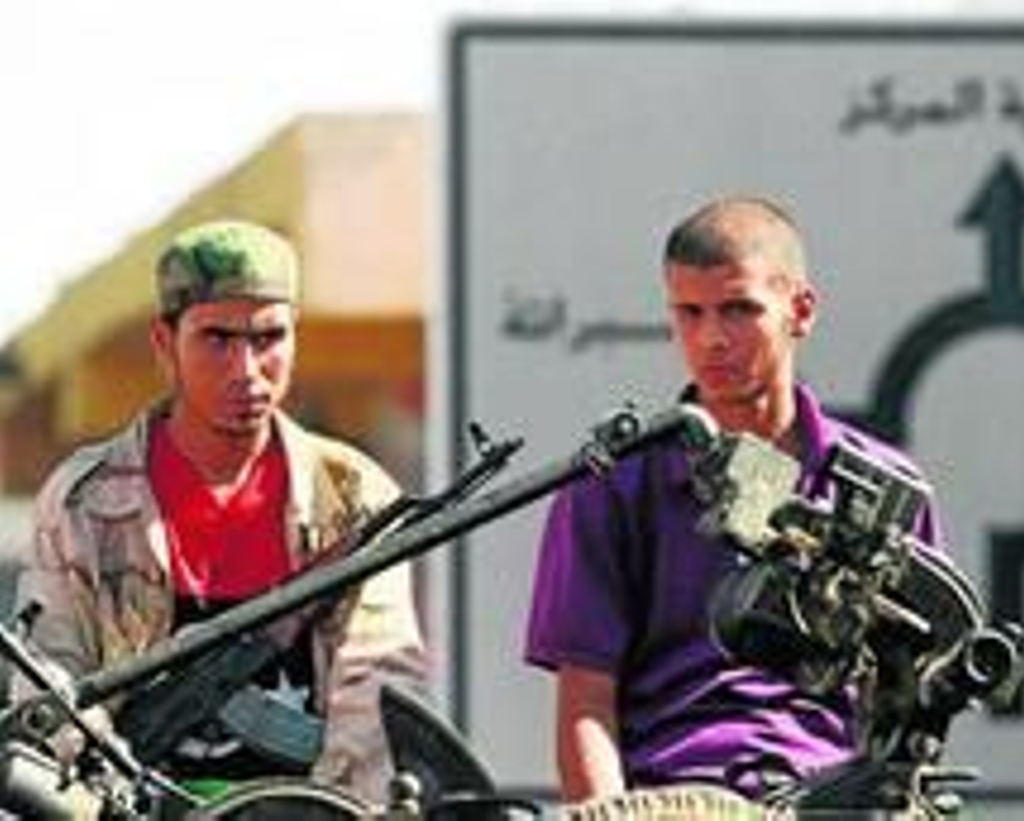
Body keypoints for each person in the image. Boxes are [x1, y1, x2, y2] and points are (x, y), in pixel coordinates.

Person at [523, 196, 945, 803]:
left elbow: (914, 709)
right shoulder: (610, 485)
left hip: (836, 797)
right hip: (671, 799)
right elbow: (586, 700)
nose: (712, 338)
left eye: (739, 310)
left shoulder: (886, 489)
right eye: (689, 313)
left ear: (800, 311)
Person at [14, 219, 428, 805]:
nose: (246, 370)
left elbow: (378, 692)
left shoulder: (355, 498)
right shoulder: (86, 499)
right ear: (164, 343)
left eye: (268, 338)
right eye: (217, 339)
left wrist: (310, 815)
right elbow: (51, 679)